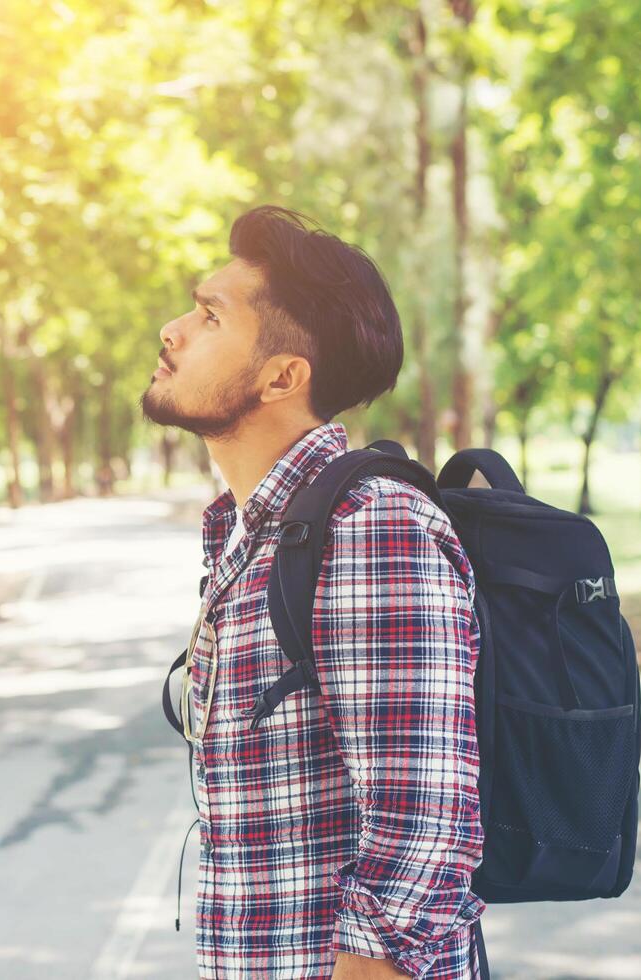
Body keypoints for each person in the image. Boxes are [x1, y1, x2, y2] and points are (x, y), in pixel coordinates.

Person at [142, 206, 485, 979]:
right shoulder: (253, 530)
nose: (172, 330)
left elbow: (420, 825)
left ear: (282, 376)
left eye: (207, 317)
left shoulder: (367, 528)